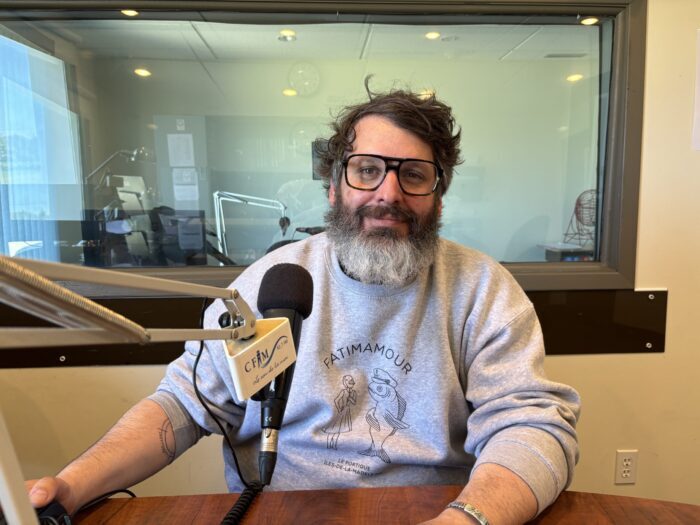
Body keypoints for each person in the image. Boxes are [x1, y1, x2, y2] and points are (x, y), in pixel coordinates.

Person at [27, 83, 580, 525]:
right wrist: (71, 486)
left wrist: (465, 520)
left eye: (414, 175)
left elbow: (531, 428)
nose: (388, 194)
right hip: (281, 511)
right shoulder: (270, 284)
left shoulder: (482, 289)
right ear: (333, 185)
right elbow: (183, 406)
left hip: (434, 512)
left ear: (438, 197)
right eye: (367, 169)